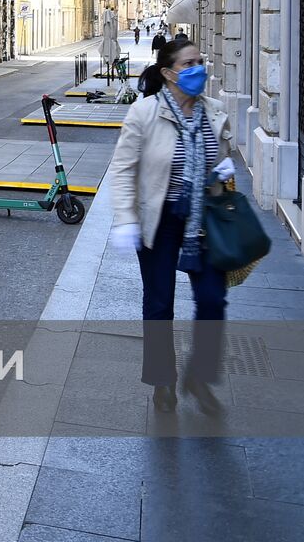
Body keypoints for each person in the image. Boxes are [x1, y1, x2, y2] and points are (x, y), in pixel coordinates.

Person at [106, 37, 235, 416]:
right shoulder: (144, 113)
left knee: (212, 299)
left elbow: (221, 160)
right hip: (159, 218)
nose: (199, 69)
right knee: (160, 303)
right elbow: (123, 169)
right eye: (188, 64)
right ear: (167, 73)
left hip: (204, 220)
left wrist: (222, 172)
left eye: (200, 61)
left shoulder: (214, 111)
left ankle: (199, 376)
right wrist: (127, 219)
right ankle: (163, 380)